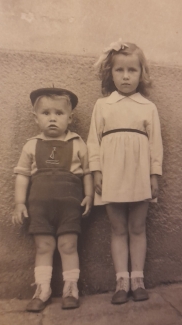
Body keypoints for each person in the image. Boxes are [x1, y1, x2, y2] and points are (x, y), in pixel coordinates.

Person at [87, 40, 163, 304]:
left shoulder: (148, 108)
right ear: (111, 73)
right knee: (118, 228)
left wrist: (154, 175)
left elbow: (155, 145)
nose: (126, 76)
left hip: (139, 174)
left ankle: (138, 279)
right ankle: (121, 281)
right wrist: (96, 171)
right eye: (120, 70)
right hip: (111, 174)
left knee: (138, 227)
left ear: (142, 74)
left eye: (132, 70)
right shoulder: (103, 105)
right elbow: (93, 142)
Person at [12, 88, 93, 312]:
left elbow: (87, 172)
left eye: (59, 113)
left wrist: (88, 195)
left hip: (69, 206)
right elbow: (22, 175)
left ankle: (70, 288)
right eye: (46, 113)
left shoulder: (78, 143)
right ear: (36, 118)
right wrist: (20, 202)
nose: (53, 118)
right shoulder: (31, 145)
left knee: (68, 245)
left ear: (70, 118)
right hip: (39, 206)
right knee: (43, 245)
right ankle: (42, 289)